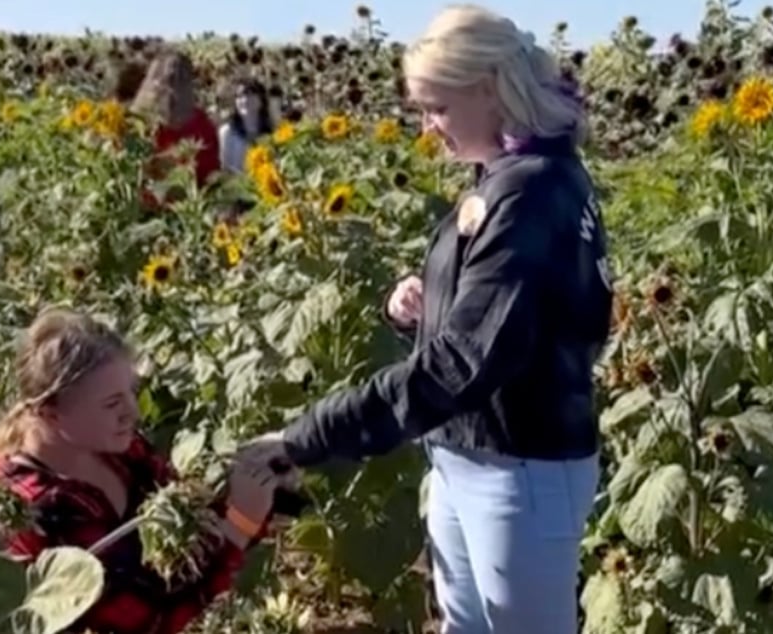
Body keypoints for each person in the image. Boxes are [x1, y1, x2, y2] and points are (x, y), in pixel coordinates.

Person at [236, 5, 613, 634]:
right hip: (467, 455)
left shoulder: (530, 192)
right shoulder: (505, 178)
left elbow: (465, 359)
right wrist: (426, 303)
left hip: (519, 468)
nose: (427, 126)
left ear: (487, 89)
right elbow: (506, 319)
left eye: (435, 105)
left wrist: (309, 436)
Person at [0, 308, 290, 634]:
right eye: (111, 403)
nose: (132, 412)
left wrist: (259, 466)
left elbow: (190, 511)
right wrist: (241, 524)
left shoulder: (115, 450)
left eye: (130, 393)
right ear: (50, 413)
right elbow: (150, 619)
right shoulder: (34, 510)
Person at [131, 49, 221, 207]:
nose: (173, 87)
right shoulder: (143, 124)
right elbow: (130, 167)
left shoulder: (203, 126)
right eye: (169, 79)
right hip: (143, 210)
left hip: (187, 212)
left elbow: (211, 176)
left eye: (181, 79)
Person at [218, 79, 276, 173]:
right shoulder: (227, 132)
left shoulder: (272, 132)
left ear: (261, 100)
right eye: (239, 96)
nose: (245, 100)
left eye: (250, 94)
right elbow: (225, 169)